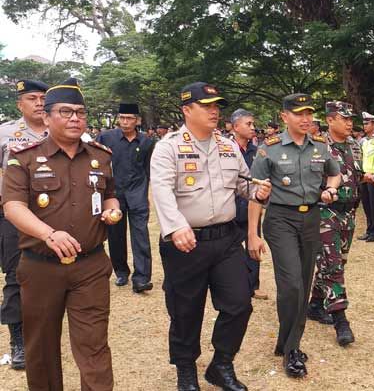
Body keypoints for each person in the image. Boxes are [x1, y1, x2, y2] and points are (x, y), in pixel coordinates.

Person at [150, 82, 271, 391]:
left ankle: (221, 364)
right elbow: (161, 190)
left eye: (217, 106)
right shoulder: (169, 147)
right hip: (185, 243)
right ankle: (186, 370)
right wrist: (176, 226)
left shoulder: (228, 146)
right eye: (207, 106)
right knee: (185, 311)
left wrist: (259, 191)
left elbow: (244, 186)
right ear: (187, 110)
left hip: (226, 240)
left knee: (239, 304)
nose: (215, 111)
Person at [3, 78, 121, 390]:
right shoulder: (22, 156)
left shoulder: (101, 155)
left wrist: (113, 209)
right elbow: (12, 207)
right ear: (46, 116)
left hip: (90, 266)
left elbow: (109, 194)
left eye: (80, 113)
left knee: (94, 346)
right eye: (66, 112)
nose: (75, 119)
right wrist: (48, 234)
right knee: (41, 350)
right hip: (40, 266)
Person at [248, 93, 340, 379]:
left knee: (303, 281)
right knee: (291, 286)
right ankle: (292, 350)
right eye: (298, 114)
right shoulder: (269, 149)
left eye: (308, 113)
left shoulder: (321, 147)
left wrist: (331, 188)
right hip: (280, 220)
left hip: (311, 217)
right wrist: (252, 233)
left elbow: (334, 174)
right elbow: (256, 194)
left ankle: (285, 341)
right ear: (284, 116)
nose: (305, 119)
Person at [0, 79, 48, 371]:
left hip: (53, 216)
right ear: (20, 104)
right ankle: (17, 339)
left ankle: (43, 331)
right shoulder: (6, 132)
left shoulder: (60, 130)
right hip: (14, 215)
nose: (39, 103)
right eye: (32, 98)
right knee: (16, 275)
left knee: (51, 274)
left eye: (43, 97)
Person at [307, 101, 360, 346]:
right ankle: (341, 320)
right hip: (325, 214)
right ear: (330, 120)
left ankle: (316, 304)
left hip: (349, 214)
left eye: (351, 119)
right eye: (344, 118)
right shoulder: (317, 146)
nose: (350, 123)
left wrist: (364, 178)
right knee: (333, 265)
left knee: (337, 263)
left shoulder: (354, 145)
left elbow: (352, 174)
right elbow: (307, 182)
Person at [97, 103, 155, 292]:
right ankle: (121, 272)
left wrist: (146, 194)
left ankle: (142, 277)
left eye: (129, 118)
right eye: (122, 117)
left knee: (141, 236)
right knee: (116, 236)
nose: (125, 122)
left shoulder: (146, 141)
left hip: (137, 193)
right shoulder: (106, 137)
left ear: (137, 120)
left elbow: (147, 169)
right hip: (114, 194)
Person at [230, 108, 267, 300]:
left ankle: (254, 285)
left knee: (254, 243)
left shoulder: (257, 151)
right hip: (230, 208)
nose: (253, 128)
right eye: (248, 124)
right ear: (235, 126)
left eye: (253, 124)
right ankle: (235, 284)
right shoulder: (226, 150)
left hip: (252, 206)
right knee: (231, 250)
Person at [357, 112, 374, 242]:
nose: (364, 126)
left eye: (367, 123)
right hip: (364, 176)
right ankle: (369, 230)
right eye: (364, 123)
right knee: (366, 205)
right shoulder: (363, 141)